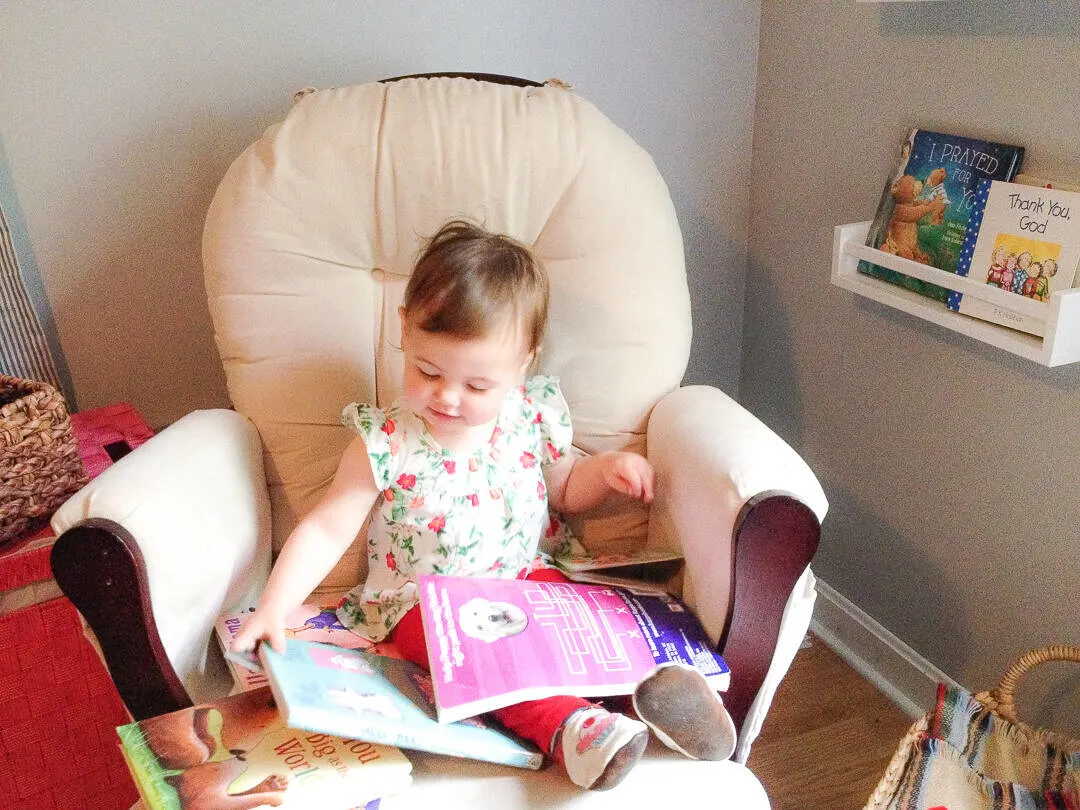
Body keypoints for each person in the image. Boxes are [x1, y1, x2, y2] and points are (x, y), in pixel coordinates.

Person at [233, 220, 736, 790]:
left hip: (527, 580)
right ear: (405, 327)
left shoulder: (529, 416)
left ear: (523, 362)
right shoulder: (386, 443)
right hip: (423, 608)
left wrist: (608, 472)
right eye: (427, 371)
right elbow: (326, 528)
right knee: (475, 658)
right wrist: (275, 606)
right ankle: (571, 727)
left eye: (477, 386)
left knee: (585, 622)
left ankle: (655, 699)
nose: (447, 396)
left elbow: (566, 490)